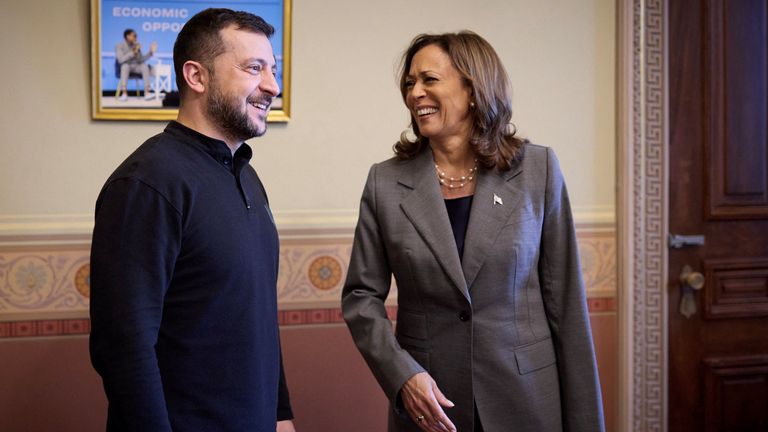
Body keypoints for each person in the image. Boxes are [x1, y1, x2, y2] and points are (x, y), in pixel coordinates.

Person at [341, 31, 605, 432]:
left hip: (527, 399)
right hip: (431, 406)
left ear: (472, 88)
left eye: (429, 80)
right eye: (410, 83)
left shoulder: (538, 170)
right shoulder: (385, 183)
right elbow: (361, 297)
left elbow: (566, 304)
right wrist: (402, 376)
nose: (415, 94)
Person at [90, 8, 296, 432]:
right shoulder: (147, 182)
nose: (272, 86)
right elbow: (124, 346)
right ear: (196, 77)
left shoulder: (247, 177)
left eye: (272, 69)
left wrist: (280, 413)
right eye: (253, 68)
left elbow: (256, 315)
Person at [115, 28, 157, 101]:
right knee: (125, 66)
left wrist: (150, 53)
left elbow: (141, 60)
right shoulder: (119, 46)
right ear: (128, 36)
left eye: (136, 36)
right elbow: (120, 60)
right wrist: (132, 53)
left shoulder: (136, 45)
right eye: (134, 36)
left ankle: (147, 93)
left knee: (144, 66)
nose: (136, 37)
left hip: (136, 66)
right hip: (126, 66)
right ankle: (124, 93)